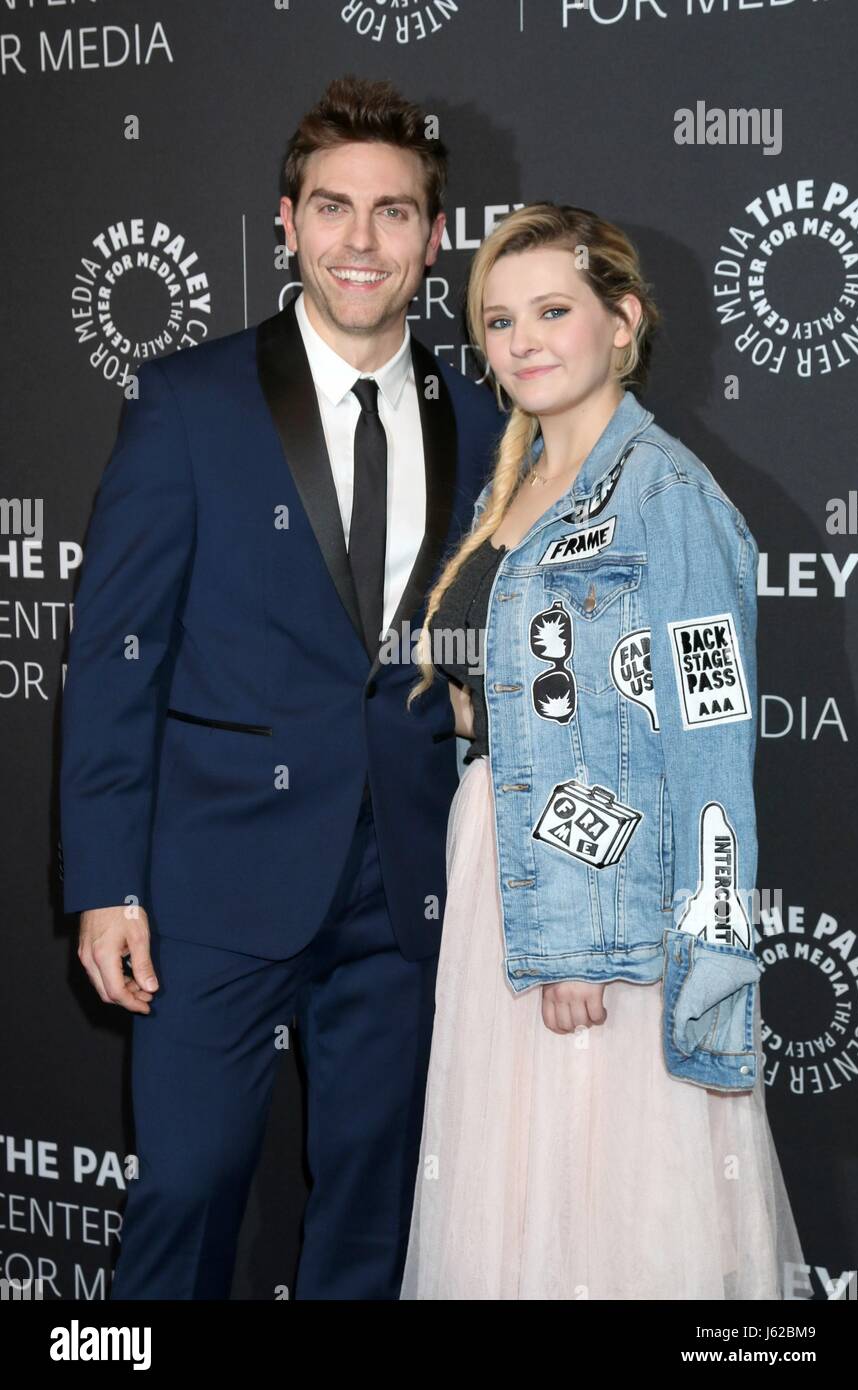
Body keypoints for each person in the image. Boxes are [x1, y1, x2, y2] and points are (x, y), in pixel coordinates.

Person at [59, 75, 502, 1300]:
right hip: (214, 873)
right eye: (333, 207)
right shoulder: (189, 401)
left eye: (394, 212)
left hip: (404, 880)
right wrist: (104, 882)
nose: (361, 240)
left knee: (371, 1209)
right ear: (286, 222)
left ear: (430, 235)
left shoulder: (477, 412)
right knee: (188, 1187)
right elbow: (116, 654)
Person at [400, 203, 805, 1300]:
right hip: (503, 874)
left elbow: (708, 745)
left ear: (620, 323)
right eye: (497, 319)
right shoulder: (510, 484)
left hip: (599, 921)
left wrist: (593, 934)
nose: (521, 339)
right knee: (512, 1222)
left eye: (551, 311)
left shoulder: (664, 495)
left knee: (599, 1227)